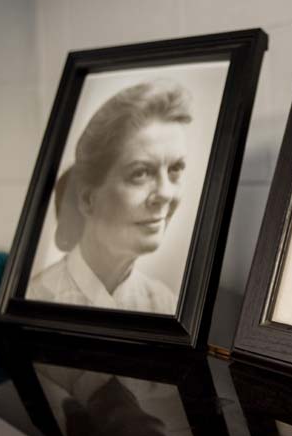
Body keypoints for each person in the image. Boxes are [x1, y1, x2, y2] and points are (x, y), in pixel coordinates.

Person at [27, 80, 190, 314]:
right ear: (87, 198)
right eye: (140, 173)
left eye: (175, 169)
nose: (165, 193)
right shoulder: (36, 299)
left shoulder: (164, 304)